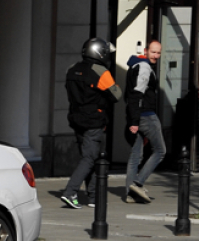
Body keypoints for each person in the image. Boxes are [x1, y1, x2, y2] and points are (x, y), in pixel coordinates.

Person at [60, 38, 121, 209]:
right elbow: (116, 94)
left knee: (90, 156)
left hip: (76, 118)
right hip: (94, 120)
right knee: (90, 157)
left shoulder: (72, 69)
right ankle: (70, 192)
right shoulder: (100, 71)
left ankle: (93, 196)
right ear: (100, 53)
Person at [124, 40, 165, 203]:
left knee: (135, 155)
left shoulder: (135, 65)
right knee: (160, 151)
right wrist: (134, 121)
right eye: (153, 52)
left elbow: (130, 96)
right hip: (146, 115)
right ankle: (138, 183)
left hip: (136, 115)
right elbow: (135, 94)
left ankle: (130, 194)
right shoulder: (144, 67)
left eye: (159, 53)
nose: (156, 56)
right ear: (146, 51)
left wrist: (132, 118)